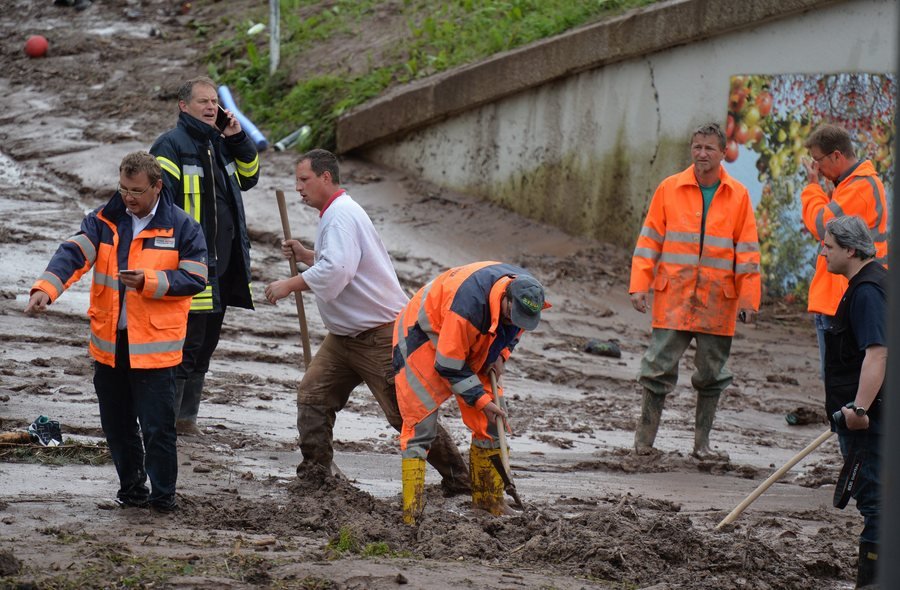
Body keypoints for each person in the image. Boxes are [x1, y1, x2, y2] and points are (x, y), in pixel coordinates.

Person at [263, 149, 471, 494]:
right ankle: (316, 474)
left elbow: (337, 271)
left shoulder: (341, 215)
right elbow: (343, 262)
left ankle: (459, 480)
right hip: (343, 337)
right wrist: (307, 255)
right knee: (313, 396)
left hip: (381, 334)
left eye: (304, 179)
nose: (298, 187)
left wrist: (291, 284)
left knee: (405, 412)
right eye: (297, 181)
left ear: (326, 177)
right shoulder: (335, 213)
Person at [25, 152, 208, 512]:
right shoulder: (103, 220)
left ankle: (163, 501)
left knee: (157, 429)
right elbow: (72, 255)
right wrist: (46, 289)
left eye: (136, 190)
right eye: (123, 188)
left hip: (155, 348)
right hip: (111, 344)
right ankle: (132, 493)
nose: (128, 197)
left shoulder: (183, 226)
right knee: (117, 426)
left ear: (157, 187)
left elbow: (195, 277)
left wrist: (148, 281)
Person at [629, 122, 760, 459]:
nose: (702, 154)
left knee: (712, 374)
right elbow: (649, 241)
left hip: (718, 302)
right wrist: (639, 285)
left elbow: (747, 253)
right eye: (697, 147)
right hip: (674, 298)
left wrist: (749, 299)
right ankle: (643, 443)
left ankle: (702, 446)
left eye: (709, 148)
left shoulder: (739, 195)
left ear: (723, 153)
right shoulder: (669, 188)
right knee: (656, 368)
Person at [393, 261, 549, 524]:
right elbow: (448, 365)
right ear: (506, 298)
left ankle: (489, 501)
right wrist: (481, 400)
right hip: (424, 336)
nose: (516, 321)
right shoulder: (468, 306)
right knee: (420, 427)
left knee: (492, 423)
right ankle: (412, 513)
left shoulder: (527, 299)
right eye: (513, 314)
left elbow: (513, 331)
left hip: (477, 336)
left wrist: (501, 354)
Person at [150, 76, 261, 436]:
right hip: (190, 265)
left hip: (224, 265)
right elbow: (159, 205)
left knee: (206, 345)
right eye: (203, 101)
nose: (212, 107)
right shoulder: (170, 145)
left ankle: (186, 420)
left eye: (215, 101)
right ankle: (168, 421)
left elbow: (249, 178)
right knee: (187, 345)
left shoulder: (220, 144)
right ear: (184, 106)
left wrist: (238, 138)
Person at [820, 215, 885, 589]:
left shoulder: (867, 292)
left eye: (828, 246)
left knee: (877, 506)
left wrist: (859, 409)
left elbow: (878, 353)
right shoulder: (875, 282)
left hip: (869, 422)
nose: (823, 253)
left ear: (849, 249)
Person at [801, 124, 888, 376]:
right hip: (840, 297)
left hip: (845, 299)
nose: (817, 168)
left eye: (818, 161)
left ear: (836, 156)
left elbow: (821, 225)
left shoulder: (860, 188)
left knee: (841, 381)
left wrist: (812, 186)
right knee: (838, 379)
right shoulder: (850, 185)